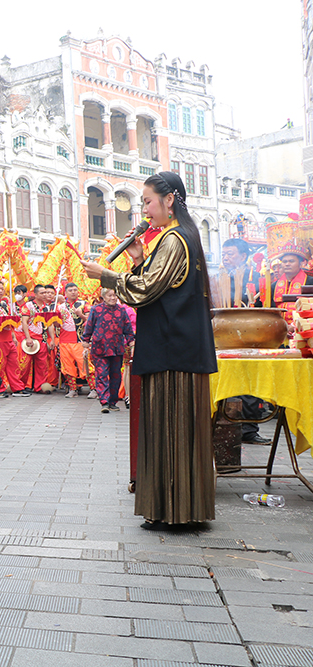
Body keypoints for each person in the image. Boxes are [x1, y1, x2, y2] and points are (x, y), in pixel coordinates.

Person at [82, 171, 217, 529]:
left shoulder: (175, 239)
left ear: (169, 199)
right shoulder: (180, 237)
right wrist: (140, 259)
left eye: (147, 201)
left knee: (170, 427)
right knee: (172, 428)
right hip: (177, 347)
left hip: (174, 351)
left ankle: (174, 511)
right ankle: (176, 507)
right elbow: (158, 285)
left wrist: (106, 275)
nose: (144, 210)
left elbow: (146, 291)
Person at [219, 239, 270, 444]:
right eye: (224, 253)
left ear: (243, 256)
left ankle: (249, 429)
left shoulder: (256, 278)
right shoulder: (220, 278)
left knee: (249, 382)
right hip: (225, 335)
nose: (225, 257)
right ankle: (223, 424)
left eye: (230, 253)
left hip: (251, 335)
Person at [82, 288, 134, 413]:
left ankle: (113, 402)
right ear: (103, 297)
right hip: (100, 348)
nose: (113, 298)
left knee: (116, 375)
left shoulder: (122, 310)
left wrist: (131, 343)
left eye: (115, 295)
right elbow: (89, 326)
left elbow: (128, 328)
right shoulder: (96, 309)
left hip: (117, 348)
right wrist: (85, 342)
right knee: (102, 374)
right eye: (110, 295)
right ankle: (104, 402)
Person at [19, 284, 57, 394]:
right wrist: (28, 338)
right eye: (42, 293)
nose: (45, 295)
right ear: (35, 294)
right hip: (30, 338)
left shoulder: (47, 307)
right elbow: (24, 322)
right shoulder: (28, 306)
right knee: (25, 364)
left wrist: (53, 340)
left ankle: (40, 386)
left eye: (45, 292)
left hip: (43, 339)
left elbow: (50, 324)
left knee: (42, 365)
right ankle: (22, 386)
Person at [269, 240, 313, 325]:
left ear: (301, 263)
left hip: (304, 327)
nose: (287, 264)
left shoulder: (310, 282)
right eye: (284, 262)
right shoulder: (274, 286)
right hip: (278, 328)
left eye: (291, 261)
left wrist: (295, 324)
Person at [58, 282, 89, 398]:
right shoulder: (60, 307)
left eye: (75, 290)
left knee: (85, 364)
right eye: (70, 290)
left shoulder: (84, 304)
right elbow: (56, 324)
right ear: (65, 293)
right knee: (67, 366)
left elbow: (90, 320)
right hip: (64, 340)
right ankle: (72, 389)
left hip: (79, 340)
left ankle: (94, 389)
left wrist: (81, 315)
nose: (73, 292)